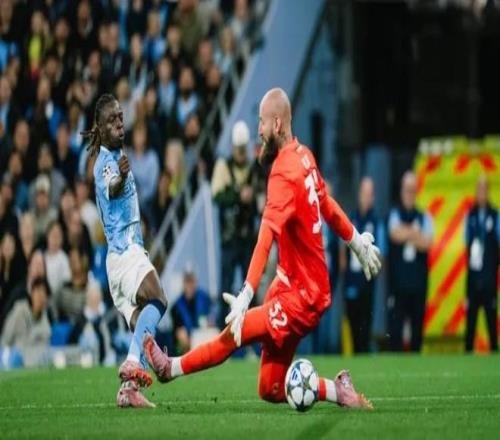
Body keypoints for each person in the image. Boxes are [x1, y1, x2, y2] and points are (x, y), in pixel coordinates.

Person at [144, 88, 381, 409]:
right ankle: (337, 390)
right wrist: (355, 240)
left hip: (303, 297)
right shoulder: (304, 155)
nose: (259, 130)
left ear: (277, 124)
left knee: (236, 332)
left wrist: (246, 293)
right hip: (291, 284)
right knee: (270, 388)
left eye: (262, 122)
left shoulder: (284, 171)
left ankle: (169, 368)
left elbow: (265, 237)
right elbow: (326, 204)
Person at [82, 94, 168, 408]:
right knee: (158, 299)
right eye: (112, 120)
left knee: (143, 328)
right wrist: (119, 175)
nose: (120, 123)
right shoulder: (104, 163)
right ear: (100, 128)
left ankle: (129, 389)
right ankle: (132, 362)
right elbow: (112, 186)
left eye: (120, 117)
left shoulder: (117, 154)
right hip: (124, 251)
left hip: (120, 261)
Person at [211, 120, 257, 328]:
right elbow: (217, 196)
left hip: (247, 238)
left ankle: (252, 333)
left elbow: (262, 197)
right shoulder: (223, 167)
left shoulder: (253, 169)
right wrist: (239, 195)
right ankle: (224, 333)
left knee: (250, 288)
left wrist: (253, 198)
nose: (241, 154)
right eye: (238, 149)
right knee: (226, 286)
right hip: (229, 239)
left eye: (243, 149)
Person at [388, 171, 433, 352]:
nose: (409, 194)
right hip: (399, 284)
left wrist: (406, 233)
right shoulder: (394, 214)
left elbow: (427, 243)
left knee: (417, 330)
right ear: (401, 191)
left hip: (418, 283)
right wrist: (414, 233)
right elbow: (394, 234)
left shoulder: (424, 217)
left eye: (412, 190)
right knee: (396, 330)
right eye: (407, 190)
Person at [341, 177, 385, 353]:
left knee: (365, 325)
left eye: (369, 194)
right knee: (353, 324)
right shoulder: (351, 219)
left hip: (367, 280)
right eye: (364, 193)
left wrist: (376, 270)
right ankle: (356, 354)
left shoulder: (376, 221)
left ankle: (364, 353)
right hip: (351, 280)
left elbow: (381, 252)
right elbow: (342, 249)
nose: (366, 198)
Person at [464, 175, 499, 352]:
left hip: (490, 277)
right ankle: (467, 357)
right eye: (479, 189)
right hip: (473, 278)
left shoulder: (495, 215)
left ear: (488, 191)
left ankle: (494, 355)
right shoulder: (470, 216)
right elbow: (467, 243)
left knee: (491, 322)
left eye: (485, 189)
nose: (482, 192)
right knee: (470, 324)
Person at [171, 268, 213, 354]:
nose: (190, 285)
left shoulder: (204, 298)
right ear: (183, 283)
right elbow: (180, 332)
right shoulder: (176, 307)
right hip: (188, 342)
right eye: (188, 282)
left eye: (192, 282)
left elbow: (212, 316)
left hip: (203, 336)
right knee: (182, 336)